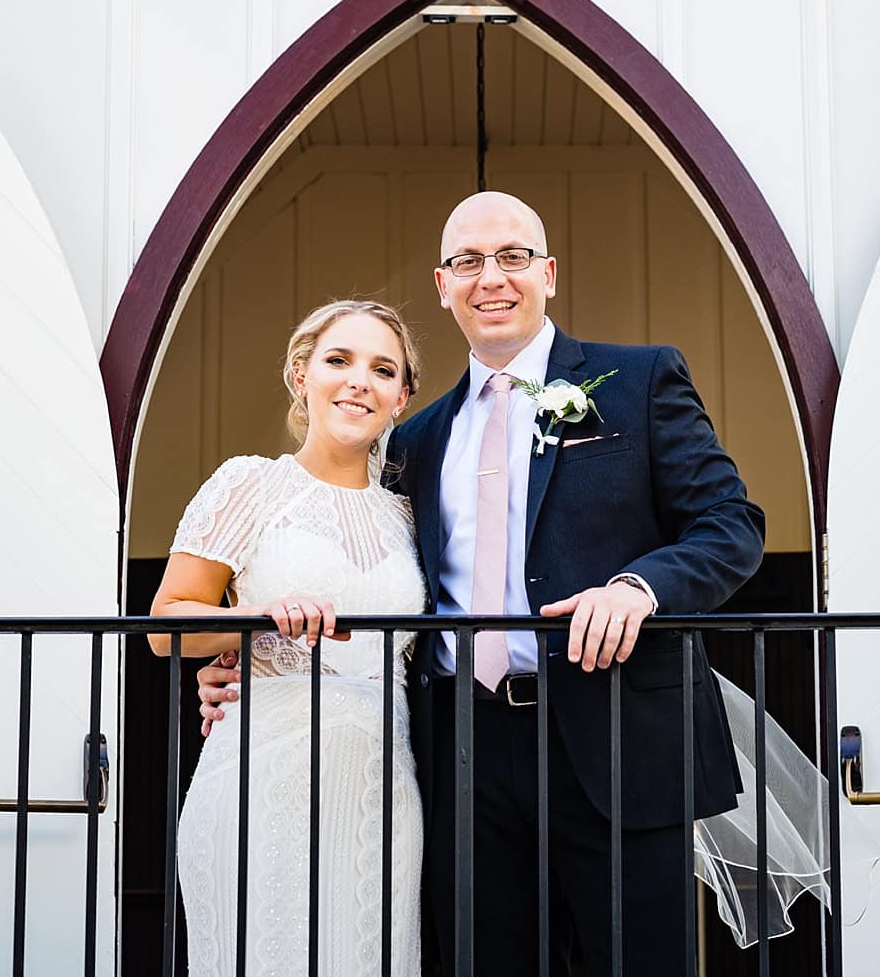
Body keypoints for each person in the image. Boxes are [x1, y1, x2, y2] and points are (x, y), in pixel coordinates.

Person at [200, 190, 768, 974]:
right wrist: (246, 653)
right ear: (443, 284)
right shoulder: (415, 440)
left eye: (512, 257)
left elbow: (732, 524)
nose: (490, 277)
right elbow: (358, 569)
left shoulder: (636, 381)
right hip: (458, 752)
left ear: (549, 273)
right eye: (468, 261)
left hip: (616, 737)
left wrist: (639, 587)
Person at [153, 299, 428, 976]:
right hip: (261, 776)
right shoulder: (251, 483)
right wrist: (257, 621)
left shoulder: (412, 515)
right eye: (339, 360)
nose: (359, 379)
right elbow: (166, 625)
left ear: (401, 398)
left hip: (380, 791)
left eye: (382, 368)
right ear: (301, 375)